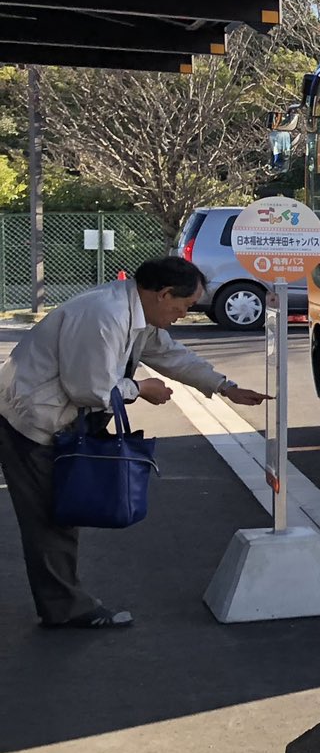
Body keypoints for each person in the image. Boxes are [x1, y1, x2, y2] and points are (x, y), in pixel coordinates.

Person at [0, 256, 267, 630]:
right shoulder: (104, 316)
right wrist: (141, 388)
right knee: (51, 517)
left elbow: (170, 354)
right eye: (185, 306)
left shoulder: (135, 310)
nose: (185, 314)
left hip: (50, 418)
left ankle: (63, 603)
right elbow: (89, 388)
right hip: (30, 421)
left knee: (62, 513)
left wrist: (224, 386)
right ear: (163, 293)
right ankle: (65, 608)